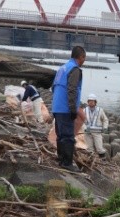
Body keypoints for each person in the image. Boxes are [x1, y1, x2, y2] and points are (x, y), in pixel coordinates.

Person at [51, 45, 86, 173]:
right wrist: (72, 109)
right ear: (81, 57)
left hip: (57, 107)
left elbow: (53, 88)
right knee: (68, 136)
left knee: (60, 135)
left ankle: (61, 159)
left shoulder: (62, 68)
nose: (84, 61)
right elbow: (72, 90)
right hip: (65, 108)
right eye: (84, 58)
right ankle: (67, 163)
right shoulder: (75, 69)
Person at [82, 94, 109, 158]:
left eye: (92, 101)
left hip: (97, 132)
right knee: (89, 148)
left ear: (95, 102)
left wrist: (105, 127)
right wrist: (85, 128)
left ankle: (103, 159)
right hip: (87, 132)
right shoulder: (84, 110)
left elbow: (105, 120)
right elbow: (81, 121)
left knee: (99, 148)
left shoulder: (100, 110)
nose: (91, 102)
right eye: (89, 101)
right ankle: (90, 159)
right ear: (88, 102)